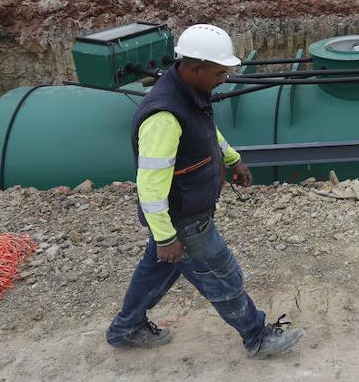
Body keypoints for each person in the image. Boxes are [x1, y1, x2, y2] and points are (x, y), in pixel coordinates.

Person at [107, 24, 304, 358]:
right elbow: (150, 184)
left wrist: (232, 159)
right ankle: (256, 337)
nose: (223, 79)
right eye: (219, 73)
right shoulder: (165, 115)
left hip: (182, 212)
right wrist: (167, 236)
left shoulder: (189, 94)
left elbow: (205, 128)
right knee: (222, 275)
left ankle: (126, 328)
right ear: (195, 67)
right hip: (184, 216)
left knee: (157, 270)